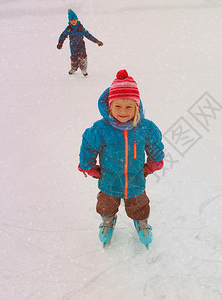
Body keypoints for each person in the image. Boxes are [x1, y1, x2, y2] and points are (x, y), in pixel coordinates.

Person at [78, 70, 165, 249]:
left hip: (135, 178)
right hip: (109, 178)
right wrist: (88, 166)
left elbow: (155, 145)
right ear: (109, 107)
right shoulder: (101, 129)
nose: (123, 112)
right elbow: (88, 145)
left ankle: (141, 222)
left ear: (137, 107)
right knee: (106, 203)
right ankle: (107, 220)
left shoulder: (145, 128)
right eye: (118, 106)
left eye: (129, 107)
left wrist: (154, 163)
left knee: (139, 204)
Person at [57, 9, 103, 76]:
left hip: (81, 45)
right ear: (69, 21)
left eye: (74, 20)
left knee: (83, 56)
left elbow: (88, 35)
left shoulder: (81, 28)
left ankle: (83, 68)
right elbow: (63, 35)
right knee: (74, 57)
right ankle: (74, 68)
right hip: (73, 45)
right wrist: (60, 43)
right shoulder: (68, 28)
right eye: (71, 20)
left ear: (77, 20)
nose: (73, 22)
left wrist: (97, 41)